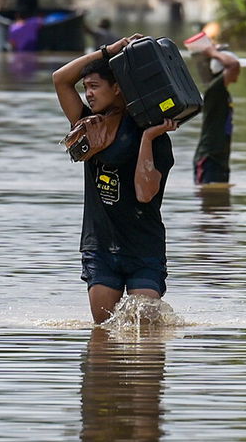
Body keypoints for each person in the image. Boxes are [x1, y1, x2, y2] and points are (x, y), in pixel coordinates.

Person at [53, 36, 179, 324]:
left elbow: (145, 193)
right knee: (102, 334)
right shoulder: (88, 127)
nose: (89, 95)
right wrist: (107, 52)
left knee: (145, 329)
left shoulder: (155, 136)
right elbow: (60, 79)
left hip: (143, 248)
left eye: (95, 87)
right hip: (100, 246)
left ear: (118, 88)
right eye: (86, 89)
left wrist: (147, 139)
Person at [193, 44, 246, 184]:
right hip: (210, 159)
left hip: (219, 160)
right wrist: (213, 52)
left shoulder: (223, 91)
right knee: (211, 202)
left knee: (220, 203)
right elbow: (234, 65)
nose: (238, 72)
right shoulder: (215, 89)